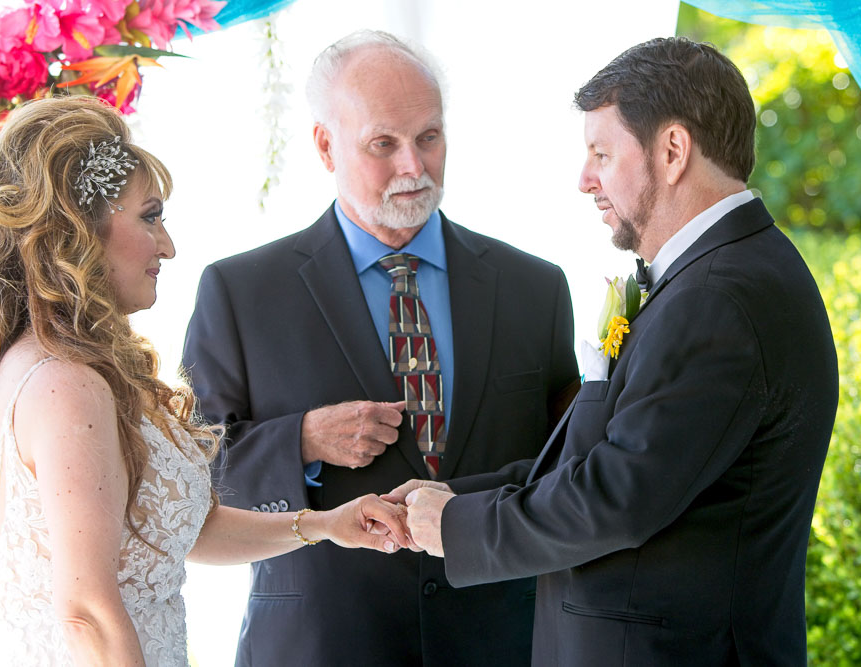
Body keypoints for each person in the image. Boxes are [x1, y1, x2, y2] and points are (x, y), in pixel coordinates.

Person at [391, 36, 840, 666]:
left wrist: (460, 530)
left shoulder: (720, 297)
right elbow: (593, 460)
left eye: (602, 153)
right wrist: (445, 501)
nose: (584, 180)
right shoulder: (713, 278)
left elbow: (618, 497)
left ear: (673, 151)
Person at [0, 95, 410, 667]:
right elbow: (86, 610)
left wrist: (324, 524)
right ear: (77, 230)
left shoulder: (64, 365)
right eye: (150, 216)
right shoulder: (65, 384)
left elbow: (178, 530)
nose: (168, 246)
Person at [181, 30, 580, 667]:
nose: (413, 168)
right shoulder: (240, 291)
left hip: (498, 641)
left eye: (429, 137)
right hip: (321, 644)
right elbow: (192, 477)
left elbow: (566, 465)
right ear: (323, 145)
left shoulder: (535, 287)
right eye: (383, 145)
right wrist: (302, 440)